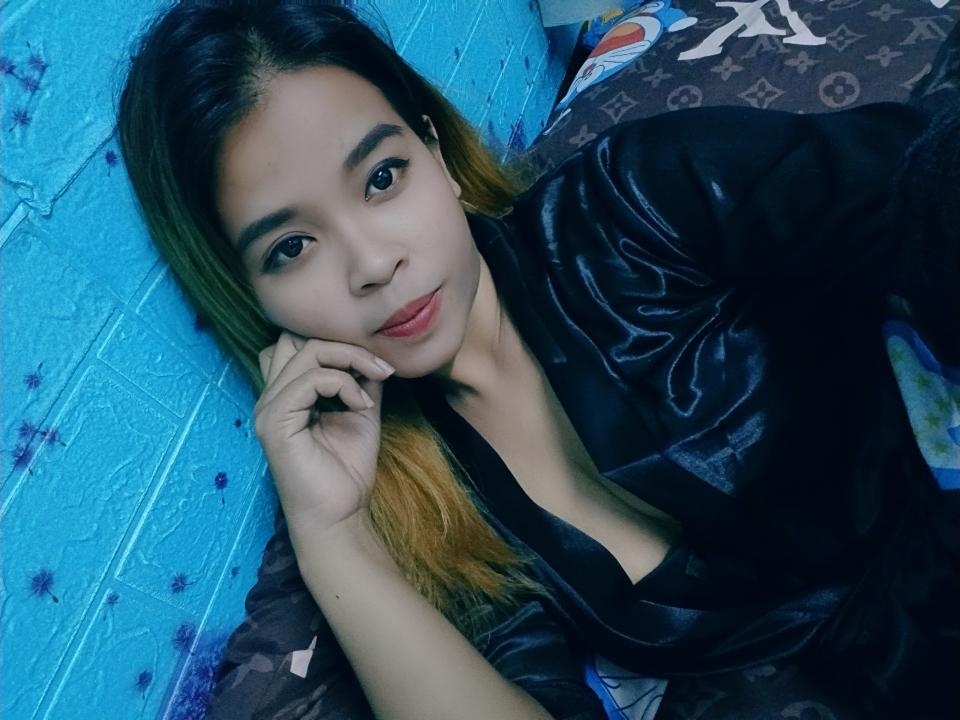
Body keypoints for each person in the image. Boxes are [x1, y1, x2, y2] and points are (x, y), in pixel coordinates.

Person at [116, 2, 960, 719]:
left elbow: (914, 192)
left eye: (381, 177)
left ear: (437, 154)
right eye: (291, 247)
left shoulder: (634, 205)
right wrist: (333, 541)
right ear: (255, 299)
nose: (372, 263)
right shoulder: (425, 499)